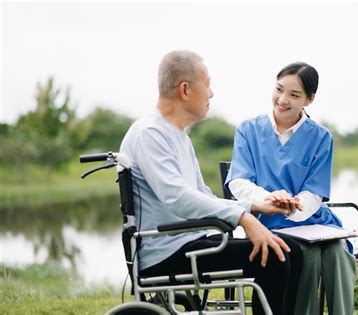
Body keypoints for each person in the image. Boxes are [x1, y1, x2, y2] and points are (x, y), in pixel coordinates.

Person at [119, 50, 302, 315]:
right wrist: (244, 219)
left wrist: (256, 206)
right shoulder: (150, 134)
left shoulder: (178, 136)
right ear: (185, 89)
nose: (211, 93)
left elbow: (203, 195)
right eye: (207, 84)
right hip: (166, 254)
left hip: (188, 242)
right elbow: (178, 198)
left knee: (290, 251)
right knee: (276, 256)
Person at [226, 62, 356, 315]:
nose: (282, 100)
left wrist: (294, 207)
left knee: (337, 252)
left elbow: (314, 192)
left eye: (294, 95)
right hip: (266, 222)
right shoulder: (248, 130)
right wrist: (271, 199)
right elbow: (238, 182)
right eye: (279, 89)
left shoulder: (320, 137)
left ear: (309, 99)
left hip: (312, 220)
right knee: (308, 257)